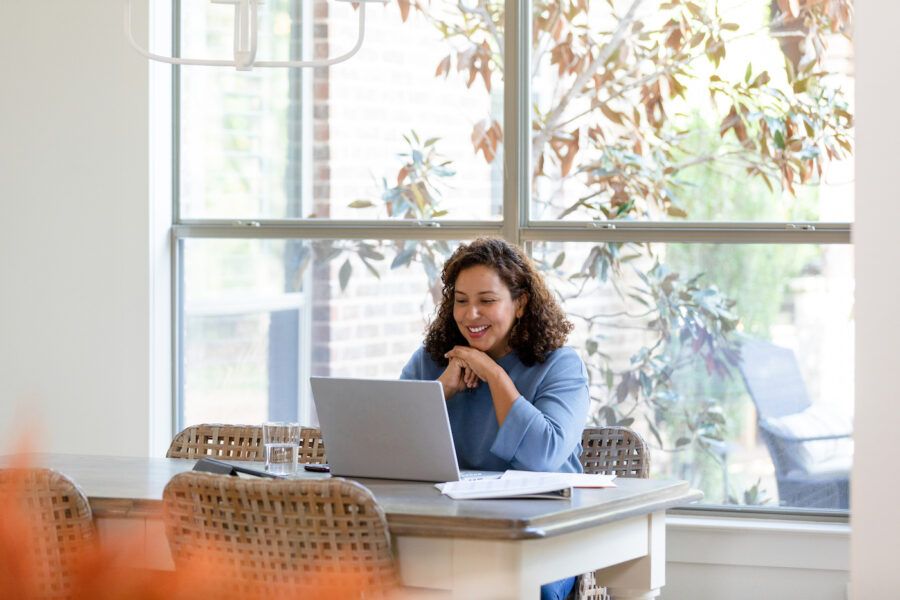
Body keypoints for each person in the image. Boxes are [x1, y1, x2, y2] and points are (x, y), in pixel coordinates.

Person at [400, 238, 589, 600]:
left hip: (542, 537)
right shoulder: (432, 361)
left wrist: (495, 375)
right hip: (447, 533)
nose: (470, 314)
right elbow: (391, 445)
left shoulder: (561, 366)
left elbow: (543, 456)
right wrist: (442, 390)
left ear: (520, 303)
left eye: (486, 301)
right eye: (460, 300)